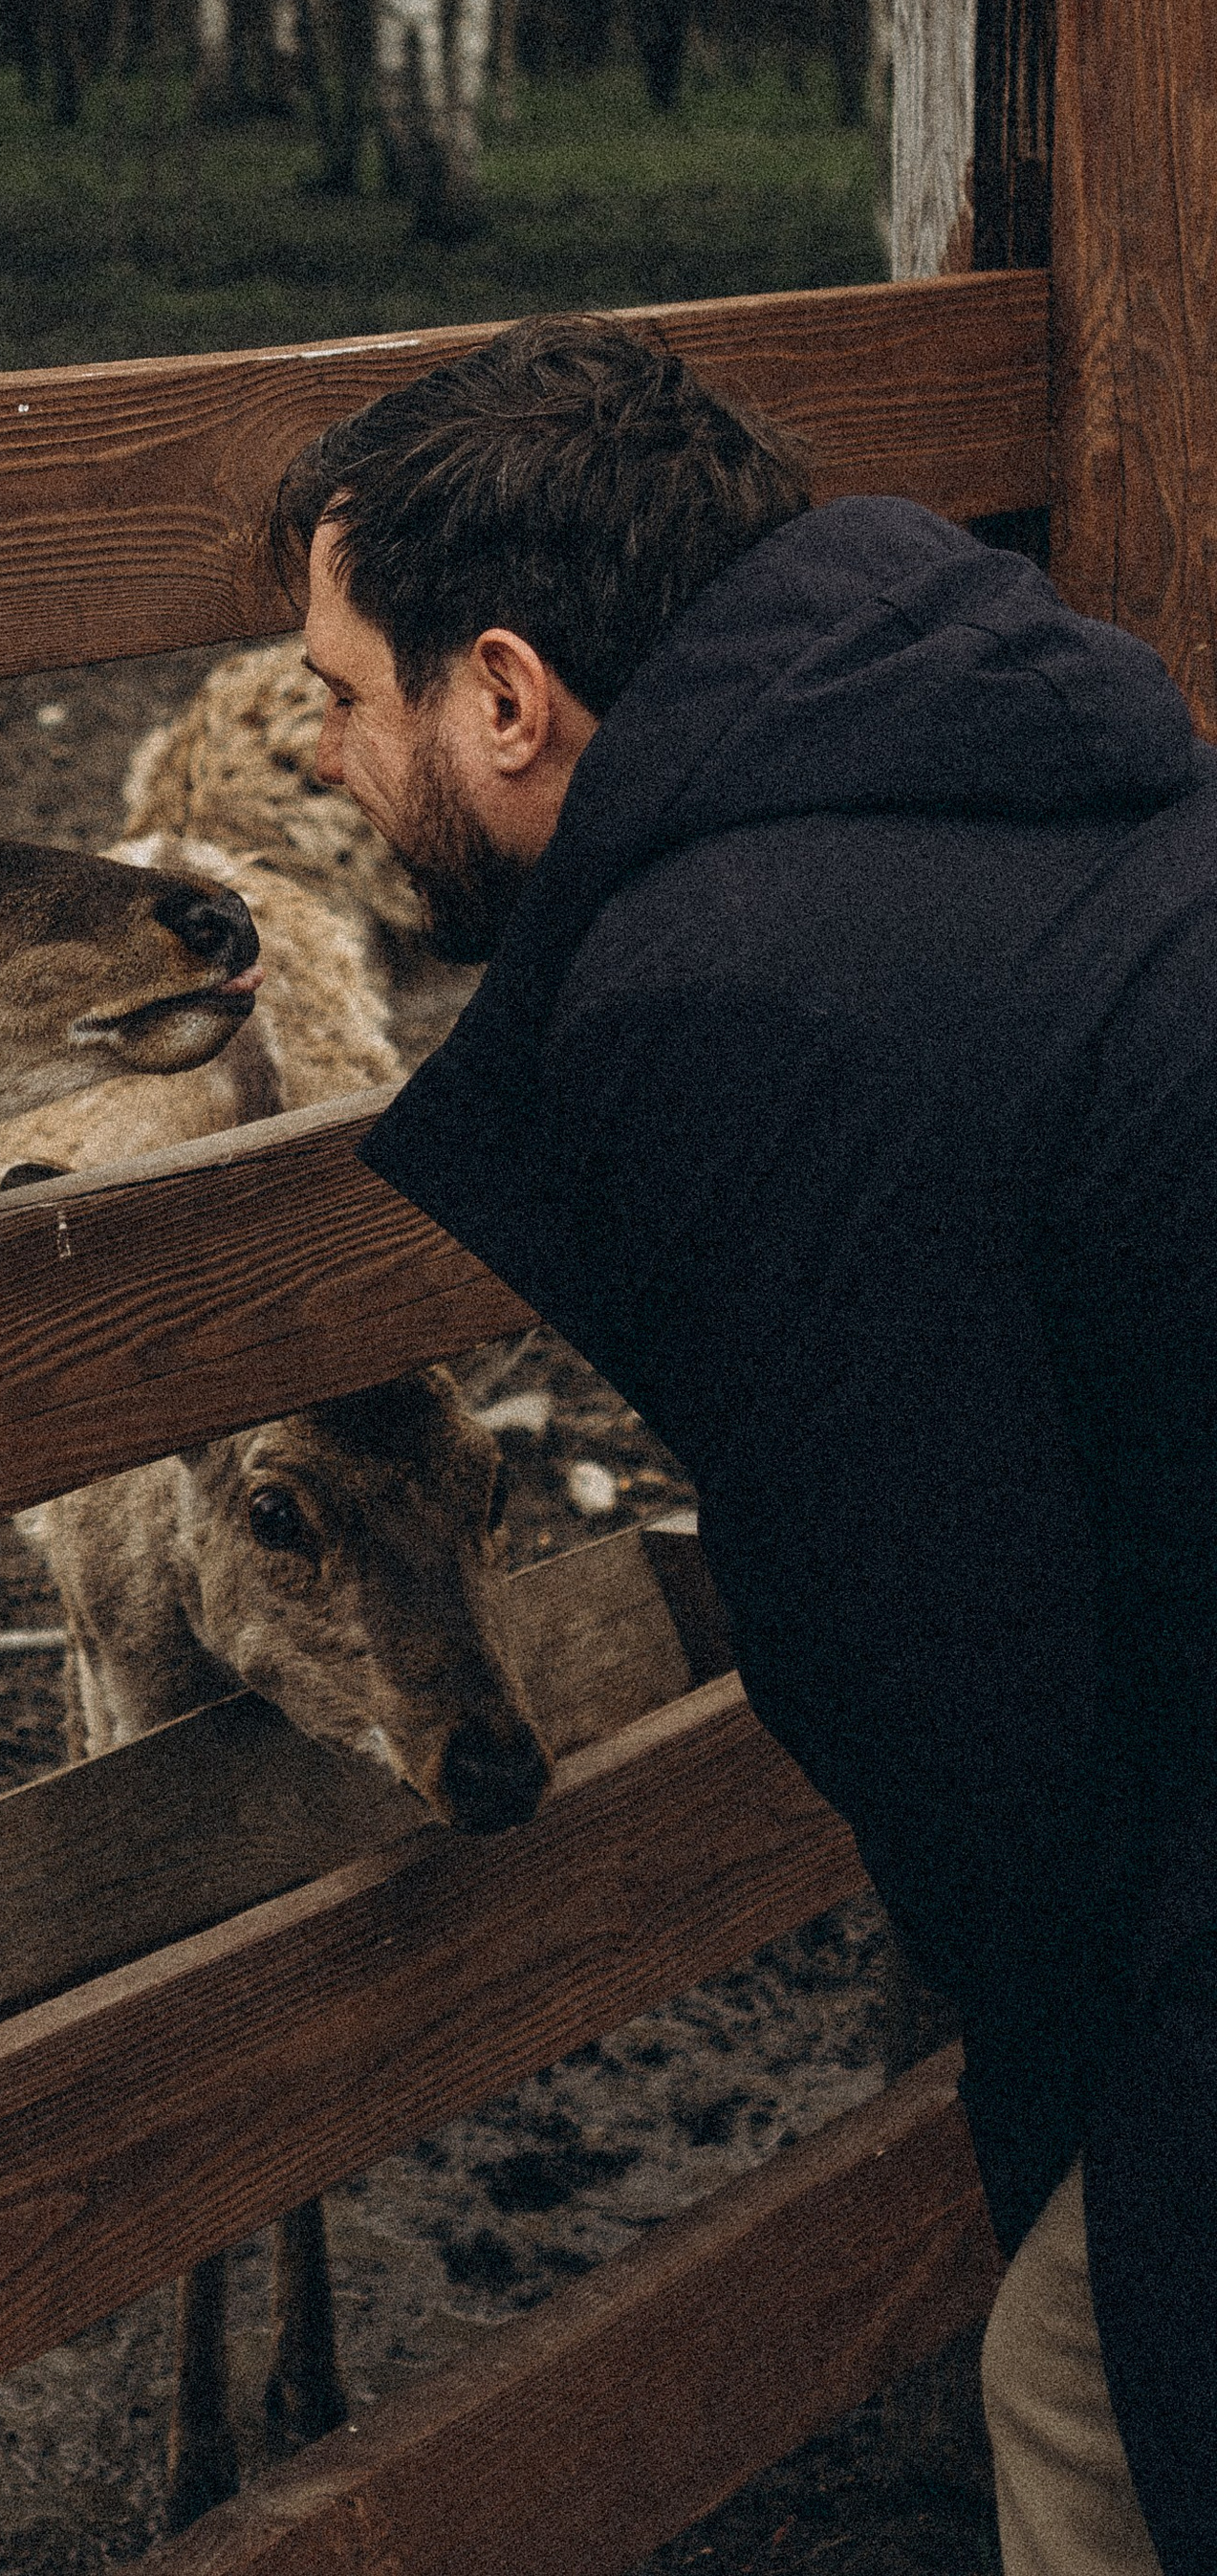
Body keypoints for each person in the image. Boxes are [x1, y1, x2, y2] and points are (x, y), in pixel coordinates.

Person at [276, 315, 1216, 2576]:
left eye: (334, 687)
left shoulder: (725, 998)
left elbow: (936, 1665)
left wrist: (1094, 2060)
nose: (307, 748)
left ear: (501, 696)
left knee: (1091, 2398)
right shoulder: (1048, 753)